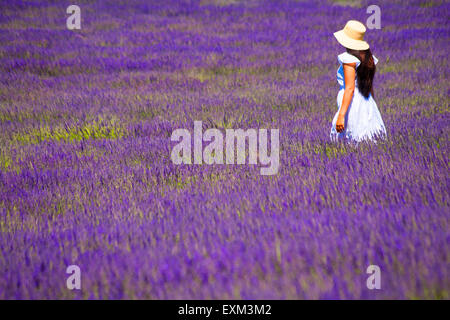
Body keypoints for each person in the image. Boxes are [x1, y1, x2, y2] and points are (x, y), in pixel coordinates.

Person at [330, 20, 387, 144]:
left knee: (351, 138)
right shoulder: (367, 57)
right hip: (367, 101)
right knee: (368, 137)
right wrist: (371, 105)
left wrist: (341, 115)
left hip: (353, 104)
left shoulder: (348, 59)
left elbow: (349, 89)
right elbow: (369, 84)